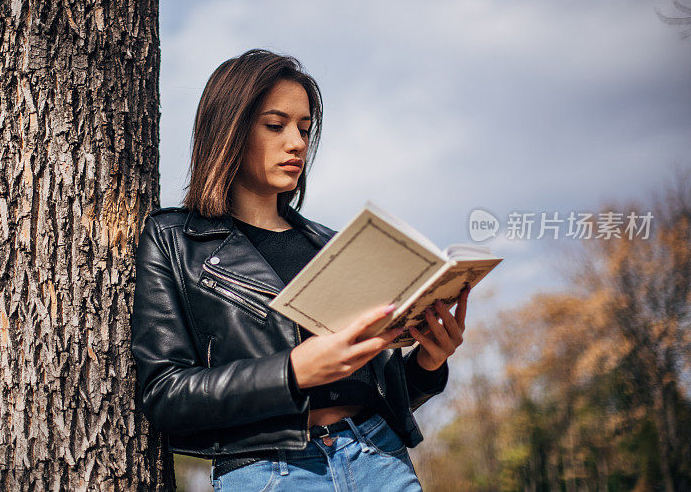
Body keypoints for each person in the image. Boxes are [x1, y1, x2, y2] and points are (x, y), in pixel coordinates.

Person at [131, 48, 470, 491]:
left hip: (378, 458)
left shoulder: (331, 245)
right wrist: (290, 372)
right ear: (228, 130)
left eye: (305, 129)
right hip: (268, 473)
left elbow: (373, 388)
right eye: (275, 126)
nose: (297, 143)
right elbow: (166, 394)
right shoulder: (174, 239)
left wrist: (429, 362)